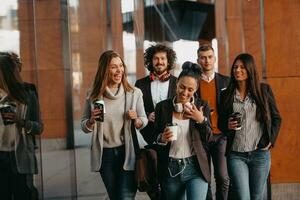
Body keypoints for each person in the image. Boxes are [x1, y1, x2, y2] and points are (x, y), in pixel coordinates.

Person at [81, 50, 148, 200]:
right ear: (104, 70)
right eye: (113, 67)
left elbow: (144, 120)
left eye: (121, 66)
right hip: (105, 155)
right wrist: (91, 121)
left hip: (128, 152)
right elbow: (84, 126)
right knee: (115, 197)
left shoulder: (134, 93)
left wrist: (137, 119)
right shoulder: (93, 95)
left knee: (125, 197)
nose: (119, 70)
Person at [218, 53, 282, 200]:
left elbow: (277, 118)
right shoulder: (226, 94)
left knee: (257, 196)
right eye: (235, 67)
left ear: (250, 69)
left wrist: (270, 141)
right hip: (236, 154)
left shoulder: (263, 90)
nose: (237, 70)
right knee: (243, 196)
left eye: (242, 67)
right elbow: (221, 123)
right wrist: (227, 125)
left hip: (259, 153)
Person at [154, 61, 212, 200]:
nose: (185, 93)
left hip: (196, 166)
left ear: (195, 90)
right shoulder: (162, 107)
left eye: (190, 90)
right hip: (171, 168)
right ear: (176, 84)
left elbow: (209, 138)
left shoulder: (202, 106)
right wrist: (162, 138)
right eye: (182, 87)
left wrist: (201, 119)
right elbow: (155, 136)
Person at [0, 53, 43, 200]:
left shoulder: (28, 93)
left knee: (24, 194)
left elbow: (39, 127)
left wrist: (22, 122)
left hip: (20, 154)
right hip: (1, 157)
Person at [196, 44, 230, 200]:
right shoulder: (194, 83)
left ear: (214, 59)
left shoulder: (226, 82)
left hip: (220, 136)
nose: (207, 61)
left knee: (223, 177)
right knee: (205, 178)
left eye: (209, 57)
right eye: (203, 58)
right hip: (201, 136)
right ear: (198, 60)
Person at [135, 44, 177, 145]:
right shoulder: (140, 84)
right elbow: (133, 108)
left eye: (163, 58)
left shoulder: (178, 83)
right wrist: (146, 116)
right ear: (151, 61)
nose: (159, 62)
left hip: (173, 134)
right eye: (156, 59)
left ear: (168, 61)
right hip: (148, 135)